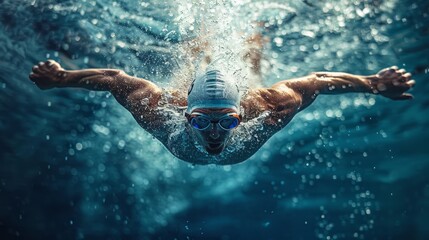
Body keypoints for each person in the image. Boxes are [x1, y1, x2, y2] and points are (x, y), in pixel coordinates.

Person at [28, 45, 415, 165]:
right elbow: (115, 80)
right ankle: (202, 52)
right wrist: (61, 79)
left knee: (252, 60)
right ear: (185, 116)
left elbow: (316, 81)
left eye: (226, 123)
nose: (214, 133)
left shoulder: (267, 108)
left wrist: (373, 84)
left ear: (242, 115)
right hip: (186, 94)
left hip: (238, 95)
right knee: (194, 62)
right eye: (201, 123)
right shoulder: (163, 112)